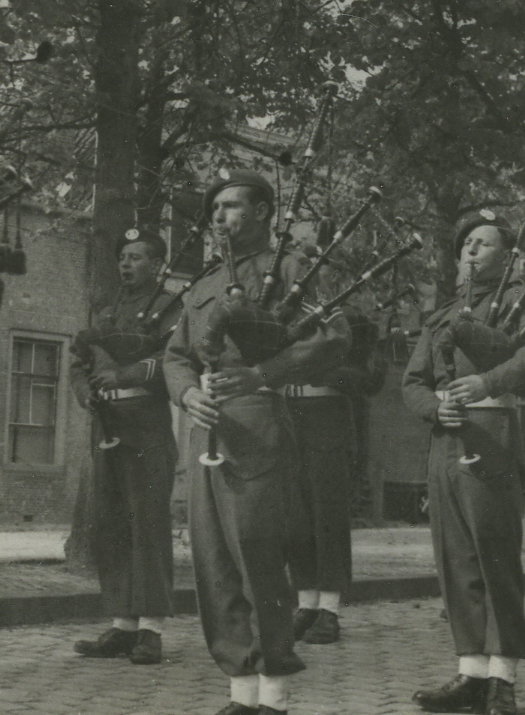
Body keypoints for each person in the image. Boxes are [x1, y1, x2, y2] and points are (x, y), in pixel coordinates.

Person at [165, 168, 350, 715]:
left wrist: (264, 372)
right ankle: (241, 693)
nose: (219, 218)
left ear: (266, 211)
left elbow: (335, 338)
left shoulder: (294, 267)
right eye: (214, 209)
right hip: (206, 427)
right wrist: (184, 396)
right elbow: (176, 355)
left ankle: (274, 694)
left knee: (259, 558)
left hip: (260, 424)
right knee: (213, 562)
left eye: (231, 206)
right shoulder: (202, 284)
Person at [402, 209, 525, 715]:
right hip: (445, 441)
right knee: (456, 559)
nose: (471, 249)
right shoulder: (443, 313)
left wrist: (488, 383)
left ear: (508, 256)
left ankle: (503, 679)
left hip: (492, 434)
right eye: (466, 241)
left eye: (484, 242)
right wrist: (435, 406)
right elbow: (413, 382)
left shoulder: (520, 300)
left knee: (495, 558)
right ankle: (471, 671)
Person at [68, 228, 182, 665]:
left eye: (136, 257)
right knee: (111, 524)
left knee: (147, 526)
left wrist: (128, 375)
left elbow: (173, 360)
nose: (126, 264)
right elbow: (79, 365)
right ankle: (122, 625)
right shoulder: (106, 310)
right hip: (107, 426)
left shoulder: (172, 307)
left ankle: (151, 630)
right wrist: (85, 394)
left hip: (147, 427)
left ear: (156, 264)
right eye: (123, 256)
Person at [286, 301, 379, 645]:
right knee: (295, 520)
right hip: (288, 419)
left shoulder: (353, 319)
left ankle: (329, 609)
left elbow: (370, 376)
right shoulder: (283, 313)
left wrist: (326, 374)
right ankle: (306, 604)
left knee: (328, 519)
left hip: (328, 420)